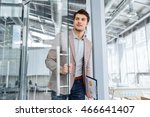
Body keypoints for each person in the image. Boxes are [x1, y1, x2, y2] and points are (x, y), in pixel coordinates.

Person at [45, 9, 92, 100]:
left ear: (87, 23)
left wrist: (89, 89)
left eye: (83, 19)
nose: (79, 21)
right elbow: (48, 60)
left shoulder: (88, 43)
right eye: (77, 18)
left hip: (79, 85)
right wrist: (61, 69)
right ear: (73, 21)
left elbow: (87, 67)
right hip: (60, 82)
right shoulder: (61, 37)